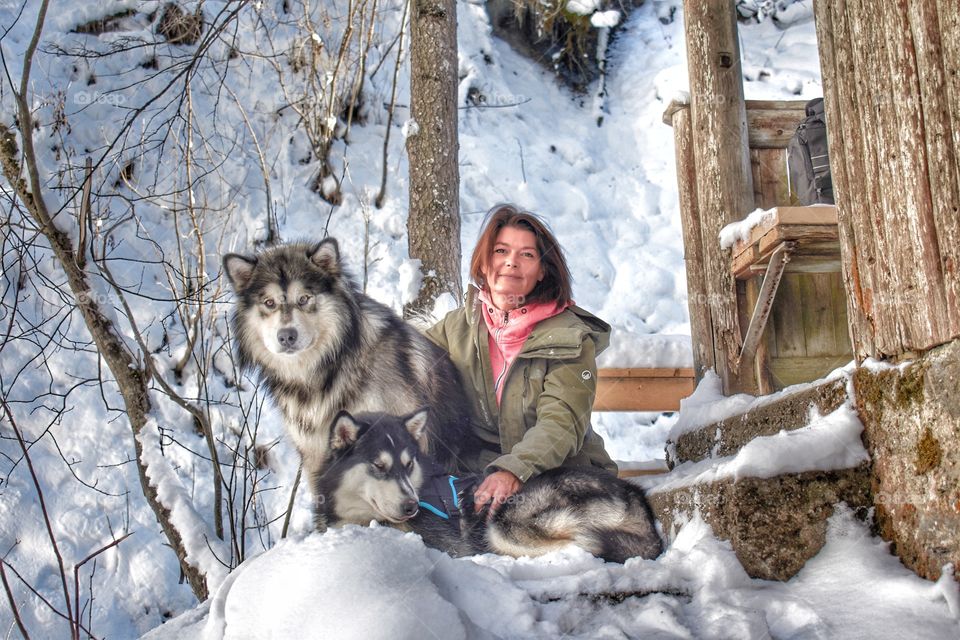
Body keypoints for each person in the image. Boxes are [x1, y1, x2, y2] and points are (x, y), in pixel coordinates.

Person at [426, 203, 618, 516]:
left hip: (561, 480)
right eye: (501, 250)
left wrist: (514, 470)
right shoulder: (454, 329)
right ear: (485, 261)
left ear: (543, 271)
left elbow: (562, 421)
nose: (511, 263)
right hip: (477, 480)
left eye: (527, 255)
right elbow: (402, 368)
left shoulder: (570, 337)